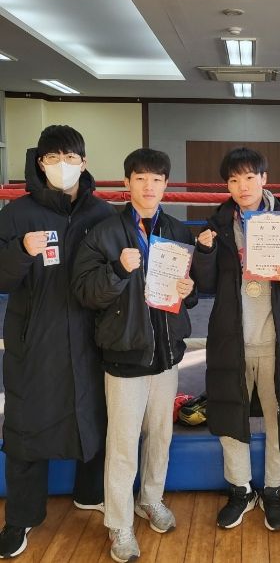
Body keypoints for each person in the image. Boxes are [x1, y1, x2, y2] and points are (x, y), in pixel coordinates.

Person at [72, 148, 197, 563]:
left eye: (157, 179)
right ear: (127, 183)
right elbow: (85, 292)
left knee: (160, 436)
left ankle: (151, 499)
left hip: (167, 353)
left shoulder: (177, 230)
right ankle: (120, 523)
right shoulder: (105, 232)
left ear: (166, 185)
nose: (149, 186)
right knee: (123, 443)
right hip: (124, 355)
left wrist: (189, 291)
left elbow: (189, 293)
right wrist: (118, 270)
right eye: (140, 178)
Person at [0, 125, 115, 558]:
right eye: (52, 158)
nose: (61, 165)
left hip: (91, 334)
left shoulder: (102, 213)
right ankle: (21, 518)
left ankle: (90, 493)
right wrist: (20, 251)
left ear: (84, 163)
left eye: (70, 157)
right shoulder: (16, 214)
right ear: (39, 162)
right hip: (34, 336)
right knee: (26, 422)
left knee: (95, 412)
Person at [192, 147, 280, 532]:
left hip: (278, 339)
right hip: (232, 339)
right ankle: (241, 489)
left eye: (249, 177)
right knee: (230, 413)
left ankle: (274, 490)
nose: (242, 186)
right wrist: (204, 252)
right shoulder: (217, 224)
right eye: (233, 179)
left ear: (264, 179)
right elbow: (204, 285)